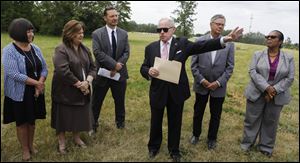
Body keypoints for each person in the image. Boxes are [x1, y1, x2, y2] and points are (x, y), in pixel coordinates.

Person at [140, 17, 243, 162]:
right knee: (155, 121)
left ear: (173, 29)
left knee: (175, 122)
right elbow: (143, 67)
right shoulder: (150, 47)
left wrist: (225, 39)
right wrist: (148, 71)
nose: (161, 33)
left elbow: (203, 46)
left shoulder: (182, 43)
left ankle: (174, 150)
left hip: (176, 92)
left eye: (165, 29)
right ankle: (153, 147)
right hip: (158, 91)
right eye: (159, 30)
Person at [240, 30, 295, 157]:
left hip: (277, 95)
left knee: (271, 122)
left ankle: (266, 147)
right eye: (267, 36)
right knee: (251, 120)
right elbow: (253, 71)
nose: (268, 38)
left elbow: (290, 78)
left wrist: (274, 90)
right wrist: (266, 88)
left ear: (280, 41)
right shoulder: (257, 54)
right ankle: (247, 144)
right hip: (257, 92)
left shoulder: (289, 57)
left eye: (272, 37)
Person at [2, 18, 48, 161]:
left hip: (36, 90)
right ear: (18, 33)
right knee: (22, 122)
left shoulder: (35, 48)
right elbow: (13, 74)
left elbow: (45, 68)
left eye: (31, 30)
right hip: (19, 93)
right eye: (28, 31)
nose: (31, 33)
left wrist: (40, 83)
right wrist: (36, 83)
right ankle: (25, 149)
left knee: (32, 120)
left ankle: (31, 144)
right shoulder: (9, 50)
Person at [51, 20, 96, 154]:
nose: (81, 35)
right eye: (78, 33)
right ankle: (62, 142)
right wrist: (79, 84)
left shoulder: (85, 49)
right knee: (63, 116)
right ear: (70, 34)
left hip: (83, 87)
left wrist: (87, 82)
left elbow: (93, 67)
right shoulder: (61, 49)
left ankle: (76, 138)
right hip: (65, 90)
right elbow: (62, 70)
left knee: (78, 115)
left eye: (82, 32)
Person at [189, 14, 234, 150]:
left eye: (222, 24)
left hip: (218, 87)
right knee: (198, 111)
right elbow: (193, 65)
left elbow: (230, 67)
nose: (220, 26)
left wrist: (218, 83)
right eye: (218, 24)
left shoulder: (229, 44)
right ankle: (196, 134)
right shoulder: (200, 40)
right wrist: (202, 80)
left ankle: (212, 138)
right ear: (211, 24)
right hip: (201, 84)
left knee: (216, 114)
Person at [91, 6, 130, 132]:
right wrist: (114, 65)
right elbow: (97, 53)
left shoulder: (123, 34)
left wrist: (118, 65)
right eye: (112, 16)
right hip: (102, 73)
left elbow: (126, 52)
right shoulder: (97, 33)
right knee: (96, 101)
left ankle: (120, 125)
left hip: (119, 74)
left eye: (116, 16)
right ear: (105, 18)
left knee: (120, 101)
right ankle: (93, 125)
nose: (115, 18)